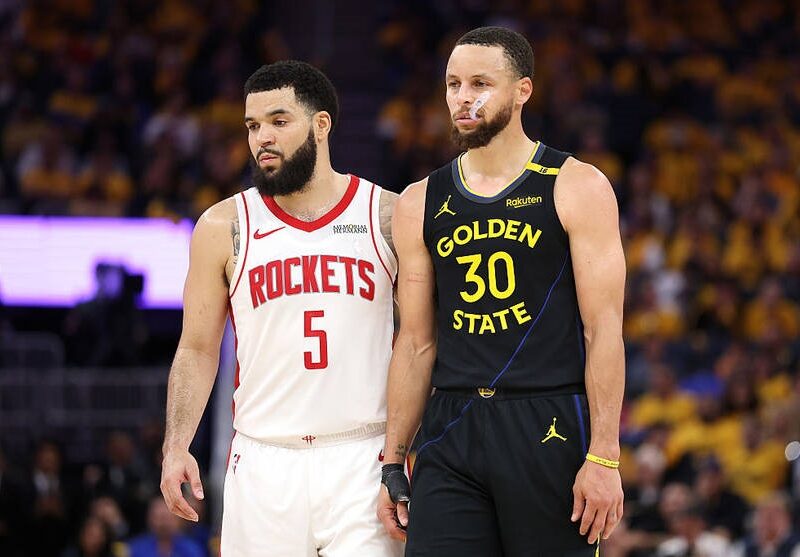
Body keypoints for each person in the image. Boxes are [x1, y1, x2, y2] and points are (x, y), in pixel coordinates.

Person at [378, 27, 625, 556]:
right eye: (453, 84)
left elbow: (603, 330)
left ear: (522, 91)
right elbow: (416, 342)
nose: (463, 98)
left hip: (547, 422)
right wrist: (393, 460)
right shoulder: (418, 201)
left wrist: (605, 455)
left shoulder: (576, 185)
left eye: (480, 84)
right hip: (452, 426)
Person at [159, 60, 401, 556]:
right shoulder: (222, 226)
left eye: (279, 120)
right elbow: (197, 348)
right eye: (252, 126)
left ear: (321, 124)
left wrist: (407, 452)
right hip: (264, 460)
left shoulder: (388, 216)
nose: (262, 137)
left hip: (364, 457)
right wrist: (176, 444)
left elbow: (423, 340)